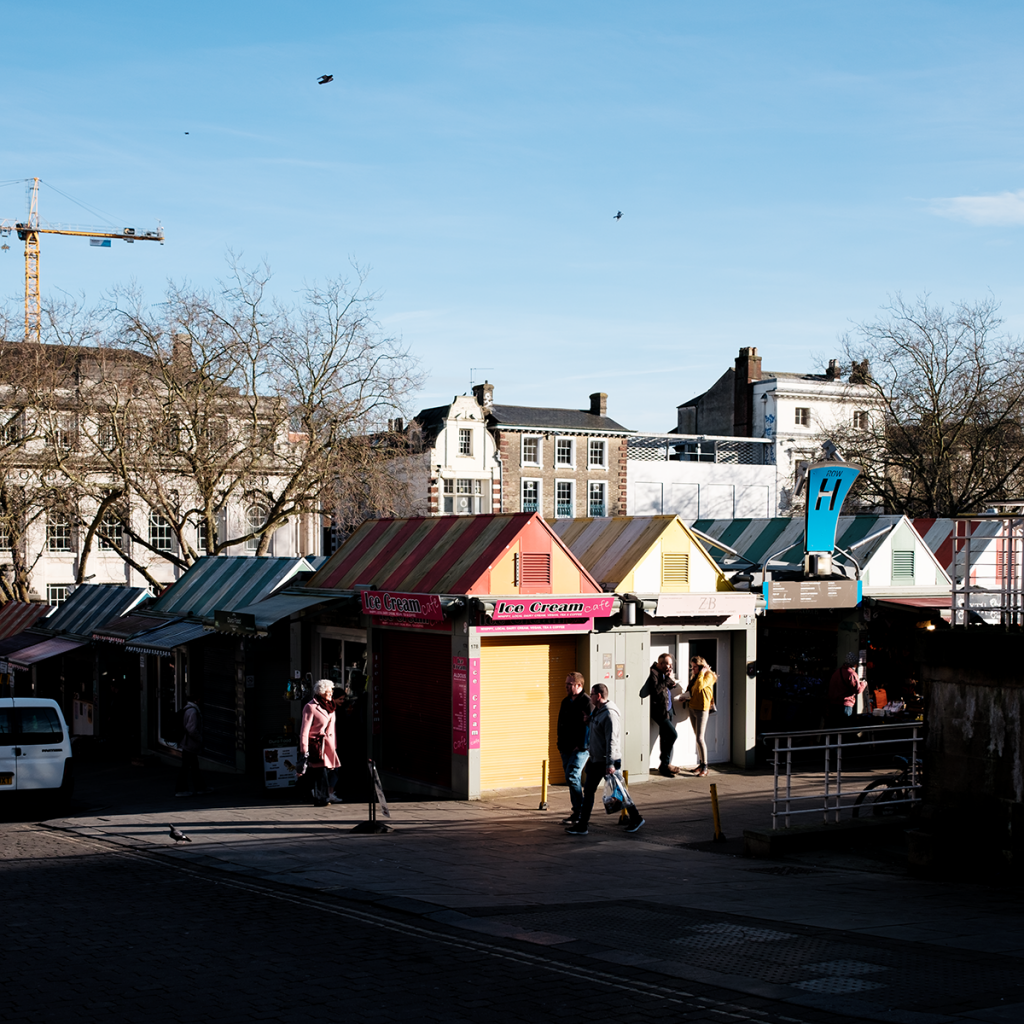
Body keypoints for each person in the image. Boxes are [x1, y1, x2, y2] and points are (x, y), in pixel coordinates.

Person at [566, 683, 644, 836]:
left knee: (618, 791)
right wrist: (589, 721)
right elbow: (598, 730)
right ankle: (583, 825)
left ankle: (636, 817)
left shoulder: (609, 714)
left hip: (606, 761)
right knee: (588, 791)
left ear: (599, 696)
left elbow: (611, 740)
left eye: (592, 694)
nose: (591, 696)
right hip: (596, 759)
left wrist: (610, 763)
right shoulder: (598, 710)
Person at [298, 679, 342, 806]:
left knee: (328, 771)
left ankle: (321, 796)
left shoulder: (331, 706)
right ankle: (321, 798)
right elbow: (304, 730)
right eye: (328, 691)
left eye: (331, 691)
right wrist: (304, 750)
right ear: (321, 692)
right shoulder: (310, 707)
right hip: (316, 745)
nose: (331, 693)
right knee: (320, 772)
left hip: (329, 745)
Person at [556, 672, 591, 825]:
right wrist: (560, 745)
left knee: (572, 775)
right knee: (571, 778)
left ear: (579, 685)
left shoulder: (587, 702)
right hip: (566, 747)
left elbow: (589, 727)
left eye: (569, 684)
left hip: (580, 748)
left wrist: (582, 745)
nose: (566, 687)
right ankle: (578, 811)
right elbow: (560, 724)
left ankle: (580, 811)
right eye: (566, 684)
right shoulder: (565, 702)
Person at [641, 654, 682, 777]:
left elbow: (665, 687)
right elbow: (656, 690)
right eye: (668, 664)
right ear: (661, 663)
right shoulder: (653, 673)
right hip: (660, 711)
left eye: (671, 665)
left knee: (665, 738)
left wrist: (671, 682)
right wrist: (667, 680)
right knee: (672, 734)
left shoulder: (664, 673)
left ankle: (665, 766)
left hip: (668, 709)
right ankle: (665, 763)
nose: (669, 667)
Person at [684, 656, 717, 777]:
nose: (693, 669)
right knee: (697, 737)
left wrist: (702, 673)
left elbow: (699, 687)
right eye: (692, 667)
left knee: (700, 738)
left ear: (701, 666)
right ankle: (700, 763)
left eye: (695, 667)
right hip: (692, 707)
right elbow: (693, 691)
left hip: (702, 709)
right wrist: (686, 697)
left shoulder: (708, 676)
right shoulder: (696, 677)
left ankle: (705, 766)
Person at [175, 699, 210, 797]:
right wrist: (200, 738)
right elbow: (191, 729)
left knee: (193, 766)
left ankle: (200, 787)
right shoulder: (193, 712)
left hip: (187, 743)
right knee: (187, 767)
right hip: (190, 744)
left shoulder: (187, 709)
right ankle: (182, 789)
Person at [828, 652, 866, 725]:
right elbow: (857, 690)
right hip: (845, 706)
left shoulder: (836, 672)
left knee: (836, 728)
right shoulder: (851, 674)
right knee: (845, 728)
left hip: (833, 705)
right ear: (854, 664)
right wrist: (863, 684)